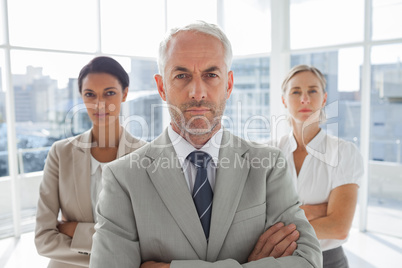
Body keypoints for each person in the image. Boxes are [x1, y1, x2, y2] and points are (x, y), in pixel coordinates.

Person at [90, 21, 322, 268]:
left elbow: (307, 262)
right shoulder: (123, 178)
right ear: (161, 87)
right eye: (181, 76)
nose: (197, 92)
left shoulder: (268, 166)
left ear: (229, 84)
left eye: (211, 75)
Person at [35, 56, 146, 268]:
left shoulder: (145, 155)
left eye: (109, 93)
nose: (99, 104)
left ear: (125, 93)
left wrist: (75, 230)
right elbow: (43, 239)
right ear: (81, 97)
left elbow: (146, 238)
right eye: (90, 95)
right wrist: (115, 253)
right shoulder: (60, 153)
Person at [276, 64, 364, 268]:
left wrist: (285, 219)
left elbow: (339, 227)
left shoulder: (343, 152)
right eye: (296, 91)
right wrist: (316, 212)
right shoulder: (270, 151)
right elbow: (255, 218)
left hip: (328, 260)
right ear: (284, 100)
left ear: (324, 98)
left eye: (312, 91)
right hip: (279, 260)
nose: (304, 99)